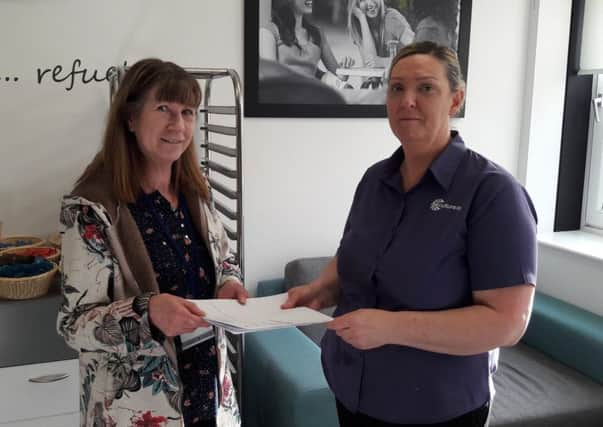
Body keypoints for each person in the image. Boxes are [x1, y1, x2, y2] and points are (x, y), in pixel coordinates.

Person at [283, 41, 537, 426]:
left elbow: (507, 323)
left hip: (436, 408)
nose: (408, 101)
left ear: (456, 100)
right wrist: (321, 288)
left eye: (426, 88)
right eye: (397, 88)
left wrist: (391, 327)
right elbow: (353, 256)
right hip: (353, 390)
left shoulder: (493, 192)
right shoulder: (374, 180)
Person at [57, 58, 247, 427]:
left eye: (188, 112)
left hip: (209, 392)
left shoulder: (196, 191)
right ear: (130, 119)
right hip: (136, 408)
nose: (178, 125)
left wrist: (228, 283)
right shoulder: (91, 209)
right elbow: (74, 325)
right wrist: (148, 314)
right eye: (164, 109)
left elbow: (224, 259)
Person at [259, 0, 352, 90]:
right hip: (286, 95)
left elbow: (338, 76)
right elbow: (270, 78)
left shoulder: (317, 33)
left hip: (312, 93)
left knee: (351, 90)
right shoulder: (268, 32)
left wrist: (343, 72)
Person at [347, 0, 415, 69]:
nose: (370, 4)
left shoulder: (392, 18)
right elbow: (370, 63)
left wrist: (384, 62)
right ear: (355, 5)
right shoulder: (358, 26)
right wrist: (362, 18)